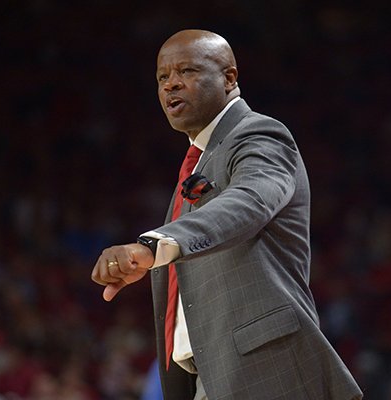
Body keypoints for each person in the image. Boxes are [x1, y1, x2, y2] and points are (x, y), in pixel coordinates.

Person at [91, 29, 363, 400]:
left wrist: (155, 246)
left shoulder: (260, 134)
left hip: (266, 372)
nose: (171, 85)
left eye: (185, 71)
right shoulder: (196, 163)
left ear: (229, 78)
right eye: (162, 77)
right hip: (211, 378)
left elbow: (250, 200)